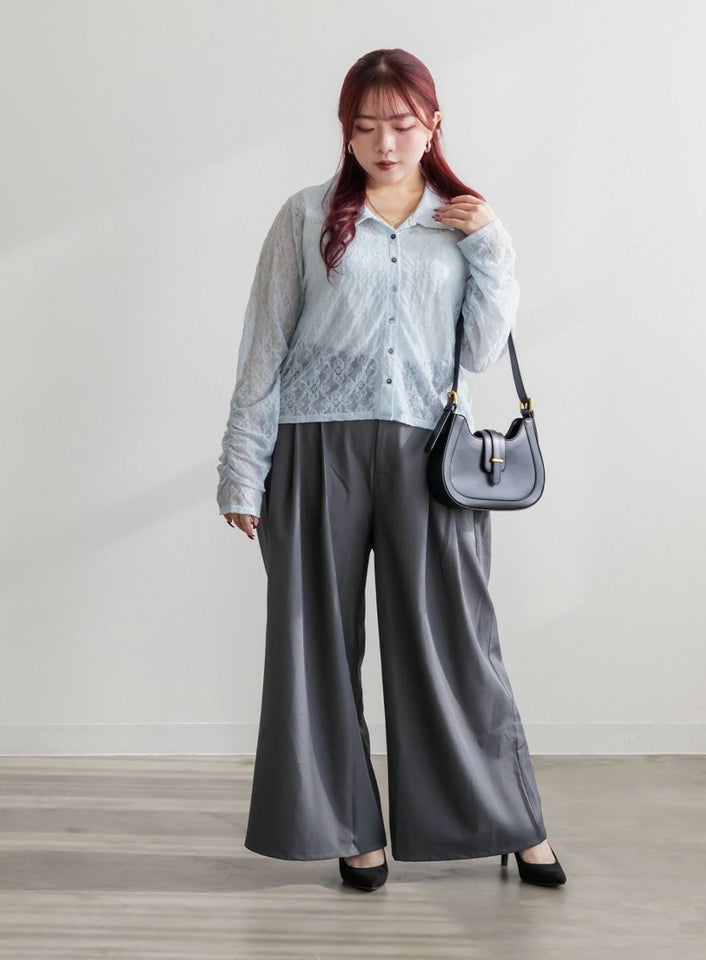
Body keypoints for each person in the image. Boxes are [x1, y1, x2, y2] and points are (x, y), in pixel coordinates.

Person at [216, 48, 566, 893]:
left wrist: (493, 247)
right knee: (313, 649)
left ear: (432, 125)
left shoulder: (462, 224)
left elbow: (478, 353)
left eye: (402, 125)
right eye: (366, 126)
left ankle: (510, 822)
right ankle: (348, 831)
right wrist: (242, 469)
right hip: (314, 453)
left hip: (429, 457)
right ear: (346, 130)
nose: (385, 143)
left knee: (455, 646)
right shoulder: (306, 216)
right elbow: (264, 346)